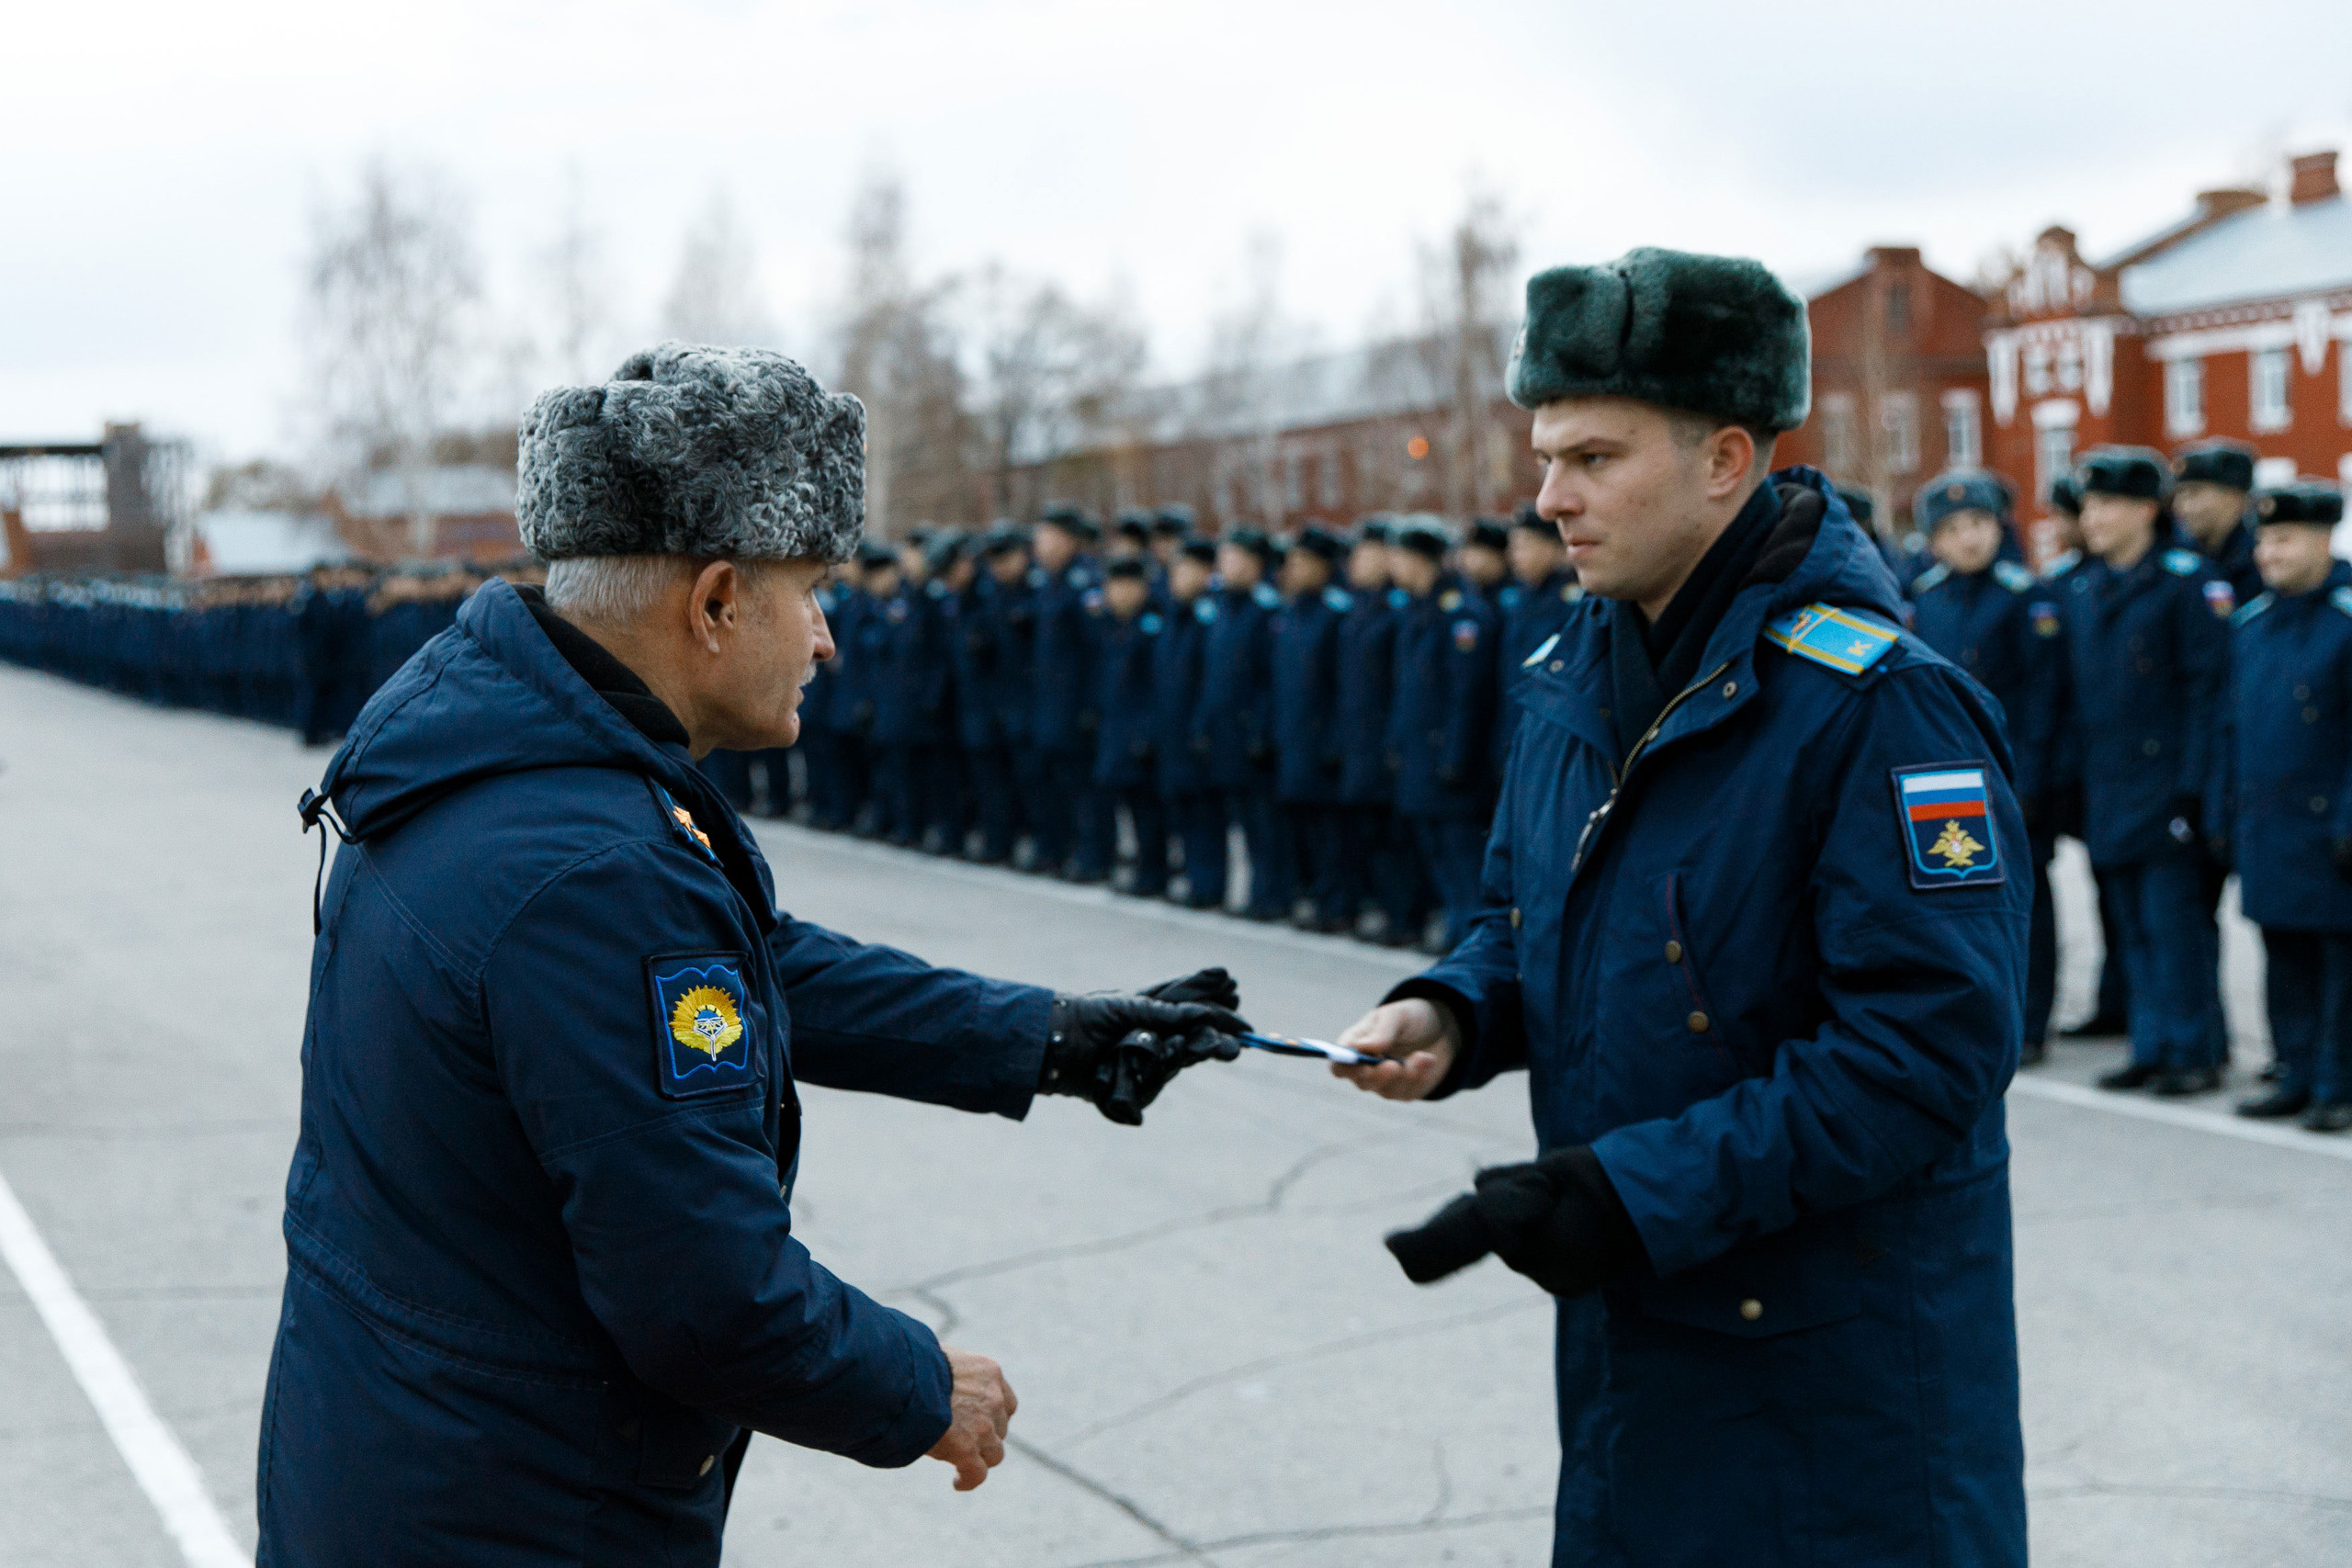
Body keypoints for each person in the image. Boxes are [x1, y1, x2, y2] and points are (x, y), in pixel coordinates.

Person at [261, 344, 1250, 1568]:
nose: (828, 637)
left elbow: (745, 968)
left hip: (400, 1454)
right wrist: (925, 1381)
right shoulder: (593, 867)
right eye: (812, 589)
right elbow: (706, 1298)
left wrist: (1041, 1032)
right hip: (516, 1510)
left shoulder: (492, 753)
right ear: (716, 601)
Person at [1329, 250, 2029, 1567]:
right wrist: (1457, 1005)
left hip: (1834, 1387)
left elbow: (1928, 1050)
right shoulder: (1578, 665)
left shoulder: (1876, 703)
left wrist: (1623, 1189)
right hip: (1636, 1344)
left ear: (1723, 458)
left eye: (1593, 457)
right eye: (1545, 455)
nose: (1549, 498)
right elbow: (1527, 913)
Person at [2056, 447, 2233, 1095]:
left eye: (2106, 505)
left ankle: (2194, 1049)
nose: (2093, 518)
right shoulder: (2080, 587)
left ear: (2145, 510)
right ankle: (2151, 1042)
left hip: (2167, 790)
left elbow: (2206, 693)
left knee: (2174, 927)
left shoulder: (2186, 582)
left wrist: (2194, 788)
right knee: (2128, 924)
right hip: (2110, 786)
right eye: (2089, 505)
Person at [1907, 470, 2063, 1063]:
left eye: (1977, 524)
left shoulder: (2026, 597)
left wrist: (2032, 779)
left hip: (2013, 777)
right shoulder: (1926, 597)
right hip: (1945, 780)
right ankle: (1975, 1015)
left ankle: (2029, 1021)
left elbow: (2044, 699)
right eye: (1951, 530)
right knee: (1953, 899)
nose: (1968, 539)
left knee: (2026, 905)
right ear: (1933, 541)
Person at [2212, 479, 2352, 1131]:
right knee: (2284, 959)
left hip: (2330, 827)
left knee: (2339, 967)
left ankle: (2339, 1084)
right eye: (2264, 539)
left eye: (2285, 538)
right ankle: (2296, 1074)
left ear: (2325, 539)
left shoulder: (2346, 622)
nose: (2269, 552)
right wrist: (2221, 811)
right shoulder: (2252, 625)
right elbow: (2230, 728)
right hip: (2269, 824)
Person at [1384, 518, 1498, 952]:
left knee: (1462, 854)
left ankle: (1469, 938)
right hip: (1419, 757)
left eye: (1401, 557)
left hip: (1448, 761)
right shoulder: (1417, 610)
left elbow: (1466, 696)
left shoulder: (1461, 614)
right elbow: (1408, 691)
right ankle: (1456, 929)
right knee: (1435, 851)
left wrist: (1455, 756)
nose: (1394, 566)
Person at [1193, 528, 1288, 919]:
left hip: (1252, 734)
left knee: (1264, 826)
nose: (1225, 566)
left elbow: (1272, 680)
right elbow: (1212, 677)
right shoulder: (1220, 607)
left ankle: (1269, 895)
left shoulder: (1265, 610)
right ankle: (1252, 892)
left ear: (1254, 563)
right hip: (1224, 731)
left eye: (1234, 558)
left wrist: (1261, 731)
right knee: (1241, 821)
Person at [1270, 525, 1353, 931]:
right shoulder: (1289, 614)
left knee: (1330, 834)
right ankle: (1314, 897)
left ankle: (1335, 904)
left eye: (1303, 562)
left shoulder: (1335, 615)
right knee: (1301, 828)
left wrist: (1336, 741)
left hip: (1322, 744)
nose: (1293, 569)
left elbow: (1344, 688)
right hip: (1294, 738)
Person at [1024, 504, 1109, 881]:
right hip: (1049, 704)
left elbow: (1097, 653)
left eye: (1047, 536)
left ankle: (1092, 858)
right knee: (1051, 784)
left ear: (1068, 539)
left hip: (1075, 706)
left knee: (1083, 790)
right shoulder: (1047, 580)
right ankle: (1055, 851)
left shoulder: (1085, 582)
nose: (1039, 545)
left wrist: (1090, 707)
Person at [1153, 537, 1226, 908]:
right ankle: (1198, 880)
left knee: (1205, 814)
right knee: (1184, 810)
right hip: (1173, 731)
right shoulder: (1174, 616)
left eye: (1184, 569)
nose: (1175, 577)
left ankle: (1209, 884)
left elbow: (1211, 681)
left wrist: (1201, 727)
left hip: (1197, 732)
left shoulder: (1206, 618)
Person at [1091, 557, 1170, 896]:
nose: (1118, 594)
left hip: (1142, 736)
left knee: (1150, 812)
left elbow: (1159, 689)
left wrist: (1147, 735)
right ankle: (1141, 869)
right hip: (1115, 731)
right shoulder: (1109, 627)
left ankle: (1155, 873)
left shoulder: (1151, 628)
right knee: (1129, 809)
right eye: (1113, 586)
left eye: (1126, 586)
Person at [1495, 502, 1583, 763]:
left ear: (1552, 547)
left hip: (1552, 745)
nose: (1514, 555)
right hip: (1515, 733)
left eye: (1524, 545)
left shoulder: (1572, 603)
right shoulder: (1520, 599)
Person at [2172, 440, 2266, 605]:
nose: (2181, 507)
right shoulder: (2175, 560)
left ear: (2235, 497)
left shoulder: (2262, 564)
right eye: (2179, 494)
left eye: (2194, 493)